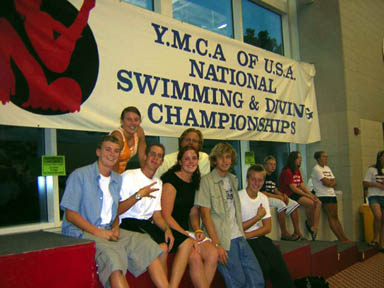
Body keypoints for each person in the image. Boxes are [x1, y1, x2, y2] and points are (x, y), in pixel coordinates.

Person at [60, 135, 168, 288]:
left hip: (107, 230)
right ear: (98, 152)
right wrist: (99, 233)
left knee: (148, 245)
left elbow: (114, 211)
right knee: (113, 260)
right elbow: (70, 214)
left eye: (116, 151)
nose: (112, 154)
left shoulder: (116, 180)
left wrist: (116, 226)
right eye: (108, 150)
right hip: (81, 232)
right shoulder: (80, 175)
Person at [118, 143, 194, 288]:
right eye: (153, 154)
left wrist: (167, 229)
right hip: (128, 223)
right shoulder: (129, 176)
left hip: (147, 223)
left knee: (187, 242)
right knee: (162, 248)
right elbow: (117, 209)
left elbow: (157, 215)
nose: (155, 158)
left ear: (162, 161)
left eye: (159, 156)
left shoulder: (158, 183)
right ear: (145, 156)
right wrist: (139, 195)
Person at [195, 143, 264, 288]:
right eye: (220, 157)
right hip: (223, 240)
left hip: (239, 236)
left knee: (257, 280)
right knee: (238, 283)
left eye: (228, 157)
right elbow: (206, 216)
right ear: (214, 160)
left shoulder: (233, 179)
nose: (224, 161)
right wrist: (217, 244)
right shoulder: (206, 182)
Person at [161, 145, 218, 288]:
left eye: (194, 158)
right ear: (180, 161)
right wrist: (187, 236)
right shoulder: (170, 180)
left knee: (213, 253)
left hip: (185, 231)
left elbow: (193, 212)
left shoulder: (195, 181)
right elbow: (166, 216)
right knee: (195, 257)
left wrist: (198, 230)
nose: (191, 161)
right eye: (186, 158)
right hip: (168, 229)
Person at [239, 164, 295, 288]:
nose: (256, 183)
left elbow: (267, 228)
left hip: (256, 237)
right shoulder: (239, 198)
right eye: (253, 179)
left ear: (263, 181)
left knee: (279, 265)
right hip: (243, 242)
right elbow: (238, 228)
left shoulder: (263, 198)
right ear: (247, 179)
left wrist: (248, 234)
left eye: (260, 180)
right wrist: (258, 217)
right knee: (262, 267)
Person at [279, 151, 321, 241]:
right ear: (293, 159)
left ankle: (314, 227)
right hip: (289, 193)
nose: (300, 160)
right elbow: (293, 188)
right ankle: (310, 224)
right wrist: (308, 196)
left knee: (317, 202)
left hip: (297, 192)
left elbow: (301, 185)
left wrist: (311, 194)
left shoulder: (297, 170)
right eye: (298, 158)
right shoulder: (287, 171)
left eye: (301, 159)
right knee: (310, 203)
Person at [311, 151, 350, 242]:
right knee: (331, 216)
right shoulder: (316, 169)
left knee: (336, 216)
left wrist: (330, 183)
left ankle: (344, 237)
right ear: (318, 158)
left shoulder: (327, 168)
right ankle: (340, 238)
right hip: (323, 195)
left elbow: (334, 181)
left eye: (327, 157)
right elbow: (326, 182)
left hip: (331, 194)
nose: (326, 158)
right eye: (324, 157)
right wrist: (330, 183)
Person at [262, 155, 303, 241]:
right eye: (270, 164)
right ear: (265, 165)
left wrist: (283, 195)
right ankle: (284, 233)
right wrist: (278, 197)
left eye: (274, 164)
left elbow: (275, 189)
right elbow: (263, 193)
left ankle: (297, 232)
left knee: (294, 204)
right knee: (281, 204)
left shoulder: (273, 176)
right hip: (264, 198)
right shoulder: (262, 175)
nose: (273, 166)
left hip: (273, 196)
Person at [110, 106, 146, 174]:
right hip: (106, 173)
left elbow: (143, 159)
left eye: (136, 120)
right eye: (129, 119)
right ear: (122, 121)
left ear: (140, 121)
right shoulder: (117, 136)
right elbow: (113, 163)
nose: (133, 123)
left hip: (119, 173)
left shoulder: (139, 132)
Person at [363, 150, 384, 250]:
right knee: (378, 216)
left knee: (382, 219)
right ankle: (375, 239)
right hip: (374, 195)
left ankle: (381, 243)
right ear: (380, 158)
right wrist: (377, 185)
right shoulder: (372, 169)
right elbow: (365, 183)